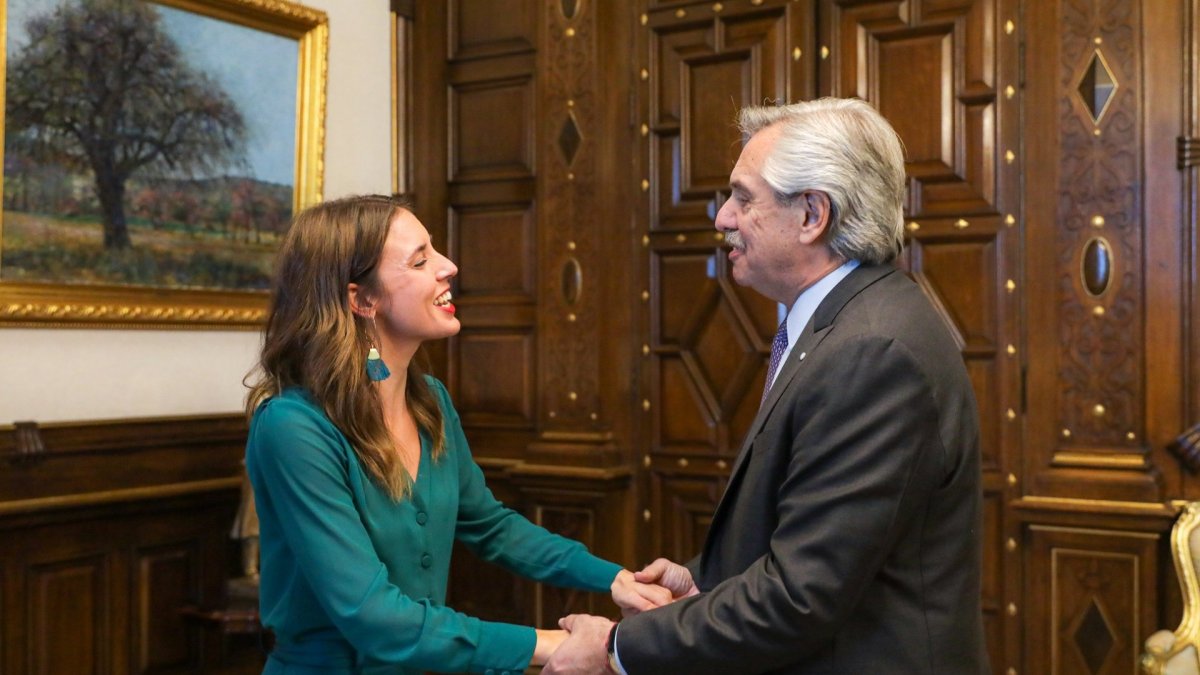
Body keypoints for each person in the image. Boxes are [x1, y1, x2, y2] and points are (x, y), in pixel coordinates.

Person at [545, 97, 988, 674]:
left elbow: (799, 596)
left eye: (743, 198)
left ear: (812, 214)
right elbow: (809, 535)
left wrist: (614, 649)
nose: (723, 218)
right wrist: (702, 583)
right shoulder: (846, 325)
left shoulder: (871, 352)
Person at [244, 195, 670, 675]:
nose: (449, 266)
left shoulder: (431, 401)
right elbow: (375, 619)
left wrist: (616, 579)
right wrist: (551, 644)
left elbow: (491, 527)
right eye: (421, 260)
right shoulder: (293, 427)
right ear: (362, 300)